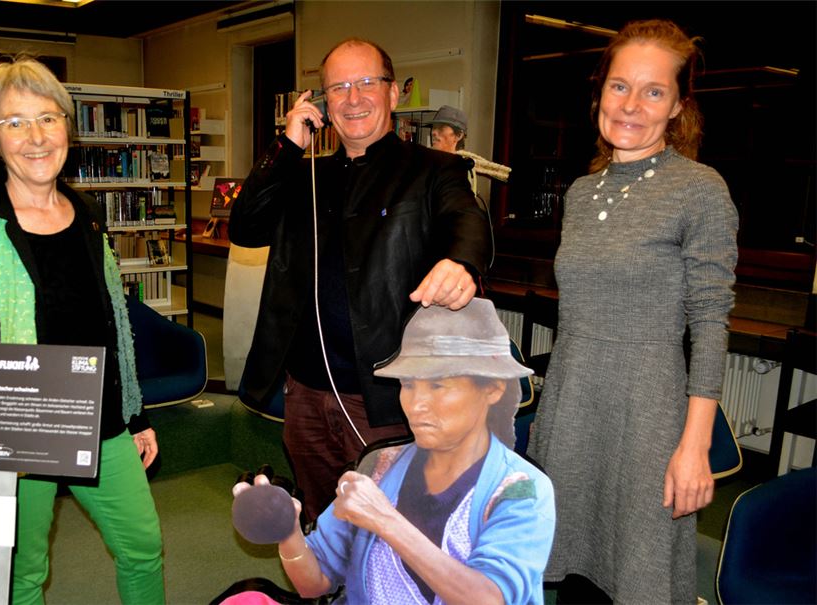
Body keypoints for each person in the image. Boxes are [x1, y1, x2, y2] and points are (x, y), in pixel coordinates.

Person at [0, 57, 165, 604]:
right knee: (23, 572)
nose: (35, 137)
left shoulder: (87, 213)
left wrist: (136, 415)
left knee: (143, 547)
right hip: (13, 433)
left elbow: (111, 322)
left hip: (100, 420)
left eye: (48, 118)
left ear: (67, 127)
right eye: (15, 122)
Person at [228, 37, 493, 523]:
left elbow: (467, 222)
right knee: (322, 520)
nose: (353, 98)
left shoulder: (435, 170)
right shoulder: (304, 175)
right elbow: (245, 227)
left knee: (395, 525)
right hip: (305, 391)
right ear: (323, 104)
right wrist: (286, 145)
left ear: (393, 93)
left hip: (386, 395)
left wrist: (463, 263)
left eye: (367, 83)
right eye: (338, 88)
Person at [527, 20, 738, 604]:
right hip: (573, 406)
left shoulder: (699, 189)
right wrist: (548, 415)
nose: (632, 105)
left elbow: (711, 323)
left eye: (653, 91)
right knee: (566, 570)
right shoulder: (580, 192)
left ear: (677, 106)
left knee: (638, 569)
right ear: (599, 94)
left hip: (648, 413)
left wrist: (694, 446)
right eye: (620, 86)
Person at [233, 299, 556, 605]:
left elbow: (489, 598)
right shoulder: (380, 466)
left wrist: (385, 520)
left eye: (438, 386)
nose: (416, 405)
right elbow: (312, 585)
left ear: (493, 389)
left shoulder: (521, 491)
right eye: (409, 385)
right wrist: (289, 532)